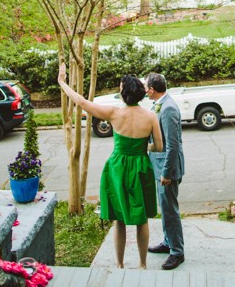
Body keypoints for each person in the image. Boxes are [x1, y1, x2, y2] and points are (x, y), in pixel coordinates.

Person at [58, 64, 162, 269]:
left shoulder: (114, 113)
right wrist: (140, 148)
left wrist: (62, 81)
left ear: (123, 94)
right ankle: (142, 264)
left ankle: (120, 264)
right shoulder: (151, 116)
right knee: (141, 219)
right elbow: (159, 147)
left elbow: (80, 101)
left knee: (119, 219)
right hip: (141, 166)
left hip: (118, 168)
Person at [144, 72, 185, 270]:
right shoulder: (159, 104)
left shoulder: (168, 108)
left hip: (167, 169)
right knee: (165, 208)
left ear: (152, 89)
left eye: (146, 87)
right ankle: (168, 242)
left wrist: (166, 173)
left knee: (170, 210)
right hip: (159, 166)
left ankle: (177, 252)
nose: (145, 90)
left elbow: (173, 144)